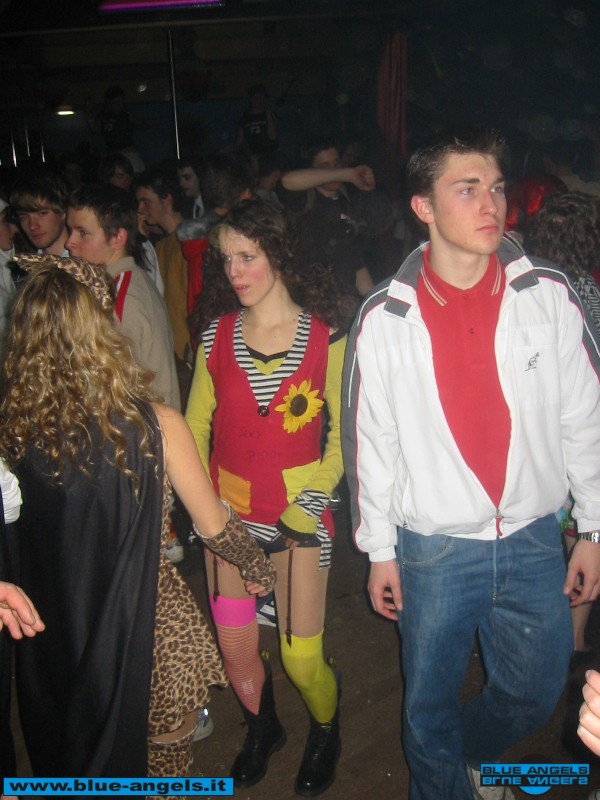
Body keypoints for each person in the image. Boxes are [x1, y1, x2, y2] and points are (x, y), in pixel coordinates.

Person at [341, 129, 600, 800]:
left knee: (536, 691)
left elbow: (585, 418)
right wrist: (379, 550)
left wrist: (594, 529)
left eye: (497, 188)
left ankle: (468, 758)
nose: (492, 204)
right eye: (467, 189)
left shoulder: (546, 293)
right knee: (427, 703)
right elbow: (371, 443)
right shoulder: (386, 316)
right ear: (423, 207)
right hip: (433, 548)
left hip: (533, 538)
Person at [0, 253, 275, 779]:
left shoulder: (13, 430)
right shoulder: (155, 425)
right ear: (101, 330)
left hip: (54, 631)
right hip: (145, 629)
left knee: (75, 768)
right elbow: (214, 524)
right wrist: (256, 566)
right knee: (163, 773)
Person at [185, 198, 347, 796]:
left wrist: (308, 505)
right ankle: (264, 727)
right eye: (226, 259)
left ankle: (326, 728)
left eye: (247, 257)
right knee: (236, 650)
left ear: (278, 253)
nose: (234, 272)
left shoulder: (328, 339)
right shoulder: (215, 336)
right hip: (228, 522)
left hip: (298, 520)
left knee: (301, 658)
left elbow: (344, 442)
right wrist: (206, 510)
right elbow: (194, 428)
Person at [66, 184, 180, 410]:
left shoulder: (119, 295)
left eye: (83, 233)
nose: (70, 242)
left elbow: (114, 387)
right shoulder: (120, 283)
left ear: (118, 238)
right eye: (70, 230)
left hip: (142, 426)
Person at [277, 139, 376, 303]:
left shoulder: (344, 202)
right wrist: (344, 174)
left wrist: (374, 300)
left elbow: (354, 259)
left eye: (336, 163)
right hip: (310, 303)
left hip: (343, 302)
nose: (334, 170)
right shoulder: (303, 200)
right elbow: (287, 181)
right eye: (325, 166)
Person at [9, 170, 70, 256]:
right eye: (24, 217)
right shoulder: (26, 262)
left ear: (63, 211)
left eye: (41, 214)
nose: (32, 226)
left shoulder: (84, 261)